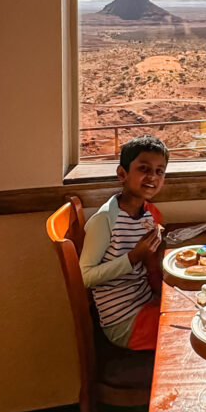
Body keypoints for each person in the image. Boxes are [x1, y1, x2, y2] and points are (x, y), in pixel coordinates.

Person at [79, 135, 168, 350]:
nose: (152, 177)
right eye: (144, 169)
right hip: (124, 323)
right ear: (122, 174)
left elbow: (150, 264)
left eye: (159, 171)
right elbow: (85, 277)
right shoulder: (105, 220)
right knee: (188, 329)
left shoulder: (147, 214)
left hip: (146, 303)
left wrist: (160, 295)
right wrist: (134, 256)